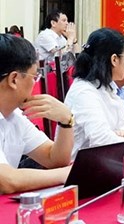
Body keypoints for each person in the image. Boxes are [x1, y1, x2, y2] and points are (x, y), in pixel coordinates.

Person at [0, 34, 74, 194]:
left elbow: (54, 159)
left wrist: (66, 120)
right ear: (14, 79)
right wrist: (66, 174)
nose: (36, 82)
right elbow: (7, 180)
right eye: (35, 76)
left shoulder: (15, 116)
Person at [64, 28, 124, 157]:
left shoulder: (107, 85)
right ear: (114, 60)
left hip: (104, 159)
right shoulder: (84, 93)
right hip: (80, 168)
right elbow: (102, 141)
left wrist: (123, 132)